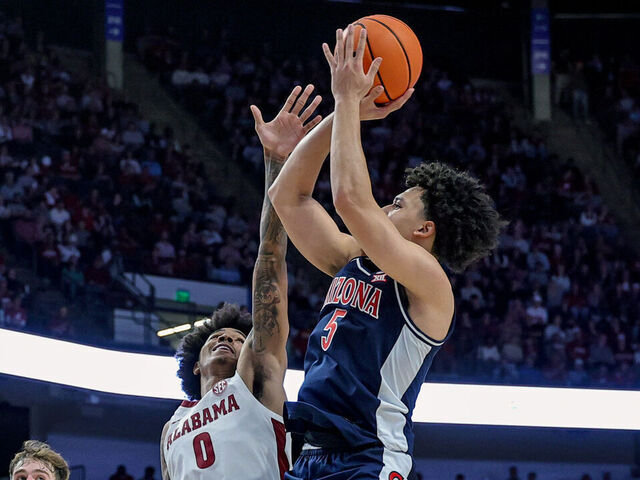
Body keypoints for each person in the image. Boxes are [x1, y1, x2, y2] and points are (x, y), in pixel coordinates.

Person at [270, 26, 505, 479]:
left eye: (397, 203)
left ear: (424, 229)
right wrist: (342, 116)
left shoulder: (429, 282)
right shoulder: (351, 261)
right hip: (312, 454)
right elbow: (288, 198)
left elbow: (350, 201)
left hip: (369, 456)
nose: (384, 204)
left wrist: (346, 104)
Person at [160, 86, 322, 480]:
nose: (227, 340)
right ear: (195, 367)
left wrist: (277, 163)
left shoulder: (255, 379)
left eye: (237, 337)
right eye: (218, 338)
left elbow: (269, 258)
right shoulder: (169, 429)